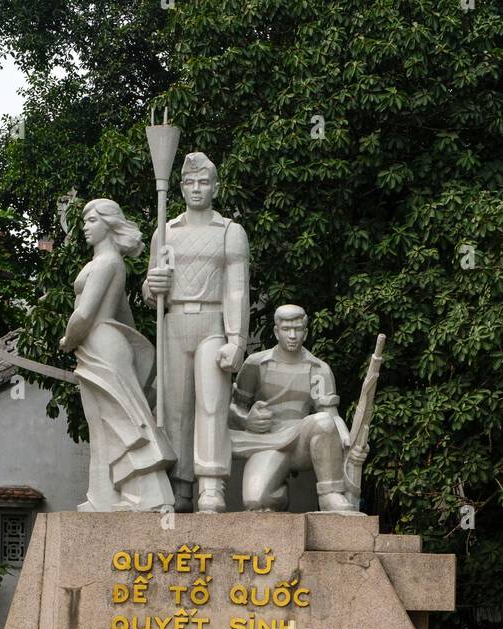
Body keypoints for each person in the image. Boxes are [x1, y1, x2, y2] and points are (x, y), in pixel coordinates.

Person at [142, 152, 250, 512]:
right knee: (174, 409)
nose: (197, 189)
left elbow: (237, 290)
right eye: (190, 182)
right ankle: (180, 485)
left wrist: (237, 340)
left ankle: (211, 484)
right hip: (173, 322)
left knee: (212, 403)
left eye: (204, 182)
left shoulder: (230, 233)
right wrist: (152, 285)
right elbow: (149, 291)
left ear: (215, 187)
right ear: (181, 187)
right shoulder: (166, 230)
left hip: (212, 323)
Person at [60, 198, 175, 512]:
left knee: (122, 420)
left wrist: (68, 339)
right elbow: (125, 318)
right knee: (100, 423)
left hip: (98, 343)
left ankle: (149, 495)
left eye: (92, 220)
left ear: (109, 224)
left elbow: (84, 314)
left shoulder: (107, 262)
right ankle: (103, 496)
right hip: (101, 345)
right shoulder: (110, 264)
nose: (85, 226)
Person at [229, 304, 364, 512]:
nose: (292, 336)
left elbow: (331, 416)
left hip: (301, 439)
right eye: (286, 329)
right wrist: (247, 420)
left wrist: (350, 442)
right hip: (267, 442)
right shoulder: (256, 364)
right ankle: (278, 492)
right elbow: (233, 408)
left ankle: (330, 494)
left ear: (306, 332)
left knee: (322, 421)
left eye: (298, 329)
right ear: (276, 331)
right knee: (256, 501)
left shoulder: (319, 369)